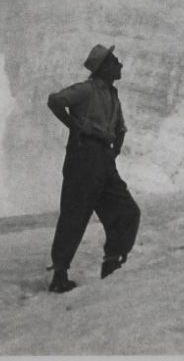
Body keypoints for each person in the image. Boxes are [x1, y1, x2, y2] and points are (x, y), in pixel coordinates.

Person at [46, 43, 141, 293]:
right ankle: (59, 274)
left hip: (102, 156)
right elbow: (55, 101)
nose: (119, 65)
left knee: (127, 210)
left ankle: (112, 264)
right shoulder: (87, 90)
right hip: (84, 154)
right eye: (115, 61)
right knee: (76, 212)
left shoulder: (111, 95)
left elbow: (120, 129)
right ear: (104, 67)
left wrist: (113, 151)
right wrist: (74, 127)